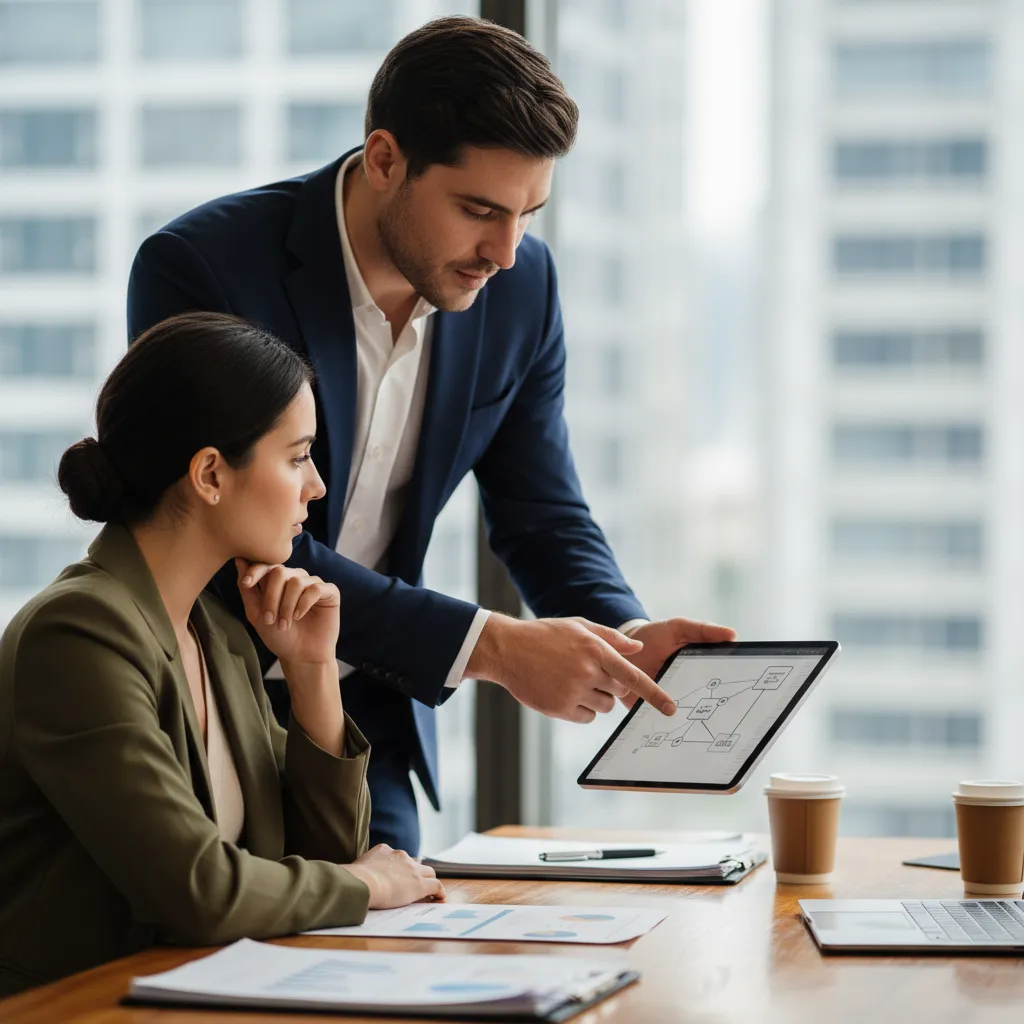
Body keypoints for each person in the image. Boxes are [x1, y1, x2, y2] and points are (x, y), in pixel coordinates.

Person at [127, 16, 735, 855]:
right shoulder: (204, 268)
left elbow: (542, 512)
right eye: (479, 210)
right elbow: (230, 537)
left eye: (529, 213)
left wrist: (621, 640)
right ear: (384, 160)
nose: (506, 252)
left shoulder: (522, 292)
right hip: (203, 711)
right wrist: (493, 646)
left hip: (368, 722)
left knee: (394, 964)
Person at [0, 313, 443, 997]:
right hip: (79, 1009)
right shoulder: (79, 634)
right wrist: (364, 884)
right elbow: (199, 890)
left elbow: (319, 860)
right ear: (210, 473)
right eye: (297, 457)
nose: (316, 486)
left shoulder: (219, 631)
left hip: (199, 997)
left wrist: (312, 672)